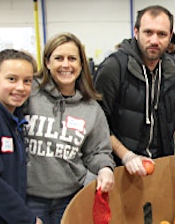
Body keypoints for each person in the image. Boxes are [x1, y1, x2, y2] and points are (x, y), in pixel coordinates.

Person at [94, 5, 175, 176]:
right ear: (136, 32)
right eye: (148, 32)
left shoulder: (170, 69)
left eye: (162, 34)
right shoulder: (115, 67)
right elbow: (98, 122)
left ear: (170, 37)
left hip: (160, 165)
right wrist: (126, 156)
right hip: (121, 168)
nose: (154, 40)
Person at [23, 33, 115, 224]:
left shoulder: (91, 109)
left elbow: (98, 151)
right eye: (59, 58)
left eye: (72, 59)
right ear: (47, 62)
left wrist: (105, 168)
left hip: (70, 198)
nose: (66, 65)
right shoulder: (28, 95)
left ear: (81, 65)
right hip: (28, 199)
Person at [0, 49, 43, 224]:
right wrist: (27, 219)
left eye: (27, 81)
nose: (20, 87)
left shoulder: (13, 117)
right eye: (12, 79)